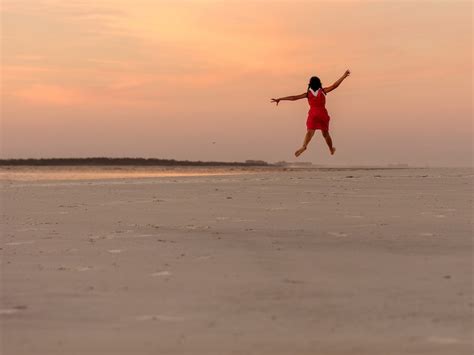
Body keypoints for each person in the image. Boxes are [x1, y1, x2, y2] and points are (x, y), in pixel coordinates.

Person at [271, 70, 350, 157]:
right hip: (322, 114)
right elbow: (335, 85)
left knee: (309, 132)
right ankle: (331, 148)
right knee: (325, 134)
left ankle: (304, 146)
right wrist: (344, 76)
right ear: (319, 83)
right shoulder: (323, 91)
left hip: (313, 114)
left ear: (310, 84)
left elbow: (294, 98)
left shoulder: (308, 94)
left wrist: (280, 99)